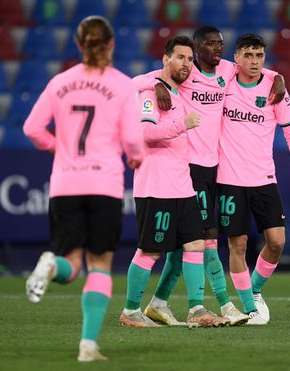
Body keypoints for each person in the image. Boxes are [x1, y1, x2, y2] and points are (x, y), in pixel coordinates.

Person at [134, 25, 286, 327]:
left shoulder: (227, 70)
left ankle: (159, 303)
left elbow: (258, 69)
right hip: (189, 167)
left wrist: (277, 77)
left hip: (212, 168)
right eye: (211, 44)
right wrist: (157, 85)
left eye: (220, 44)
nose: (217, 48)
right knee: (205, 239)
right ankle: (230, 305)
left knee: (184, 247)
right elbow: (138, 81)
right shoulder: (187, 73)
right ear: (197, 48)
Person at [23, 16, 144, 362]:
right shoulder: (122, 86)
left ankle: (50, 266)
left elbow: (32, 127)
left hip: (66, 183)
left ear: (78, 45)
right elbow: (134, 140)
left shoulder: (60, 82)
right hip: (103, 183)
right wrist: (135, 158)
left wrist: (55, 146)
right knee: (99, 265)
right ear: (111, 45)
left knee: (71, 265)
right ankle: (88, 346)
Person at [119, 35, 230, 329]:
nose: (186, 63)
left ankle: (197, 310)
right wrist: (182, 123)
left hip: (182, 186)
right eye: (180, 57)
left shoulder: (178, 94)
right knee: (150, 251)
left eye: (190, 59)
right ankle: (130, 311)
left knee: (195, 244)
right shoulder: (152, 94)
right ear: (165, 59)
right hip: (156, 186)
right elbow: (145, 133)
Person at [217, 33, 290, 324]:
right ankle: (249, 308)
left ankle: (255, 291)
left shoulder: (274, 87)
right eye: (248, 55)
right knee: (238, 244)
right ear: (236, 58)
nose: (254, 61)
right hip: (230, 178)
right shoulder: (225, 79)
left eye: (259, 56)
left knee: (276, 242)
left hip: (264, 178)